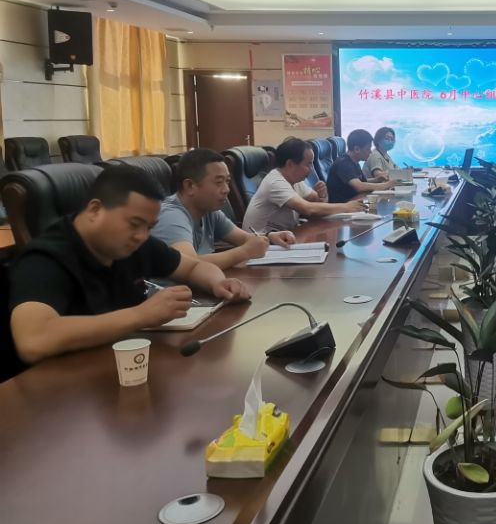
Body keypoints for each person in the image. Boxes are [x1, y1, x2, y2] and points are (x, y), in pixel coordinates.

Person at [5, 165, 251, 368]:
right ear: (95, 210)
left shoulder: (134, 243)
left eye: (149, 227)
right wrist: (141, 315)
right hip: (56, 391)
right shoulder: (44, 260)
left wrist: (219, 282)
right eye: (134, 224)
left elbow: (193, 268)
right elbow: (33, 340)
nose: (142, 235)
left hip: (118, 368)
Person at [153, 149, 296, 269]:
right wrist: (244, 252)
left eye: (227, 181)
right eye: (219, 182)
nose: (226, 189)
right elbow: (187, 264)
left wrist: (270, 237)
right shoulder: (171, 215)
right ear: (190, 186)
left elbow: (244, 238)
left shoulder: (209, 211)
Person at [242, 138, 363, 233]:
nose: (311, 169)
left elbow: (316, 200)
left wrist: (322, 195)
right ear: (290, 164)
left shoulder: (295, 180)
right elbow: (308, 209)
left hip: (283, 238)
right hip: (262, 245)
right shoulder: (275, 182)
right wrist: (346, 207)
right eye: (308, 164)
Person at [327, 129, 396, 203]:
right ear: (357, 149)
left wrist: (377, 179)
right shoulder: (343, 163)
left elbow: (360, 181)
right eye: (368, 149)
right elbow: (360, 186)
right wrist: (386, 185)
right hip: (343, 206)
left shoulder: (354, 162)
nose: (370, 152)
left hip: (355, 201)